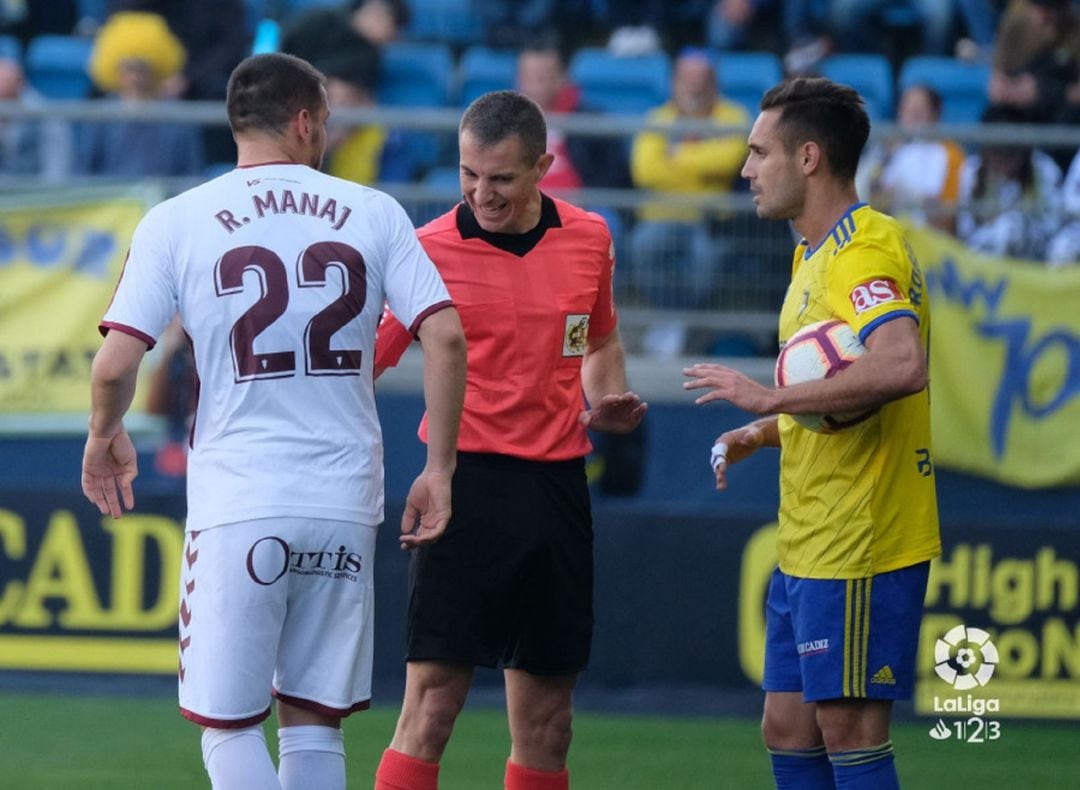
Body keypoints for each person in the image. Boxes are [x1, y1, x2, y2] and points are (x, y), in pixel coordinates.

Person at [80, 52, 467, 790]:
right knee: (314, 722)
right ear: (301, 121)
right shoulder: (374, 209)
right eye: (323, 120)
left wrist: (105, 436)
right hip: (345, 498)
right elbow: (445, 335)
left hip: (241, 500)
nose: (325, 133)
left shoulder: (177, 220)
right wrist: (439, 469)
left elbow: (114, 364)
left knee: (229, 729)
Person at [372, 90, 647, 790]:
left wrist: (605, 398)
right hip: (461, 485)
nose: (480, 193)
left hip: (557, 491)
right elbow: (365, 359)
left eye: (500, 178)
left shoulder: (589, 237)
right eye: (468, 174)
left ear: (543, 167)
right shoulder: (426, 249)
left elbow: (601, 338)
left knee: (550, 724)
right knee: (432, 705)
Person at [683, 77, 940, 789]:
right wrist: (764, 427)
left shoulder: (864, 247)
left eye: (758, 152)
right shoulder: (810, 256)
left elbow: (902, 363)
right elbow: (832, 405)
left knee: (850, 730)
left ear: (808, 158)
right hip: (810, 537)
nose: (745, 169)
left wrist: (772, 394)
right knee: (788, 725)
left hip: (861, 537)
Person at [626, 48, 749, 310]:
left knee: (707, 259)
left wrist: (676, 156)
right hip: (662, 216)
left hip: (711, 220)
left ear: (714, 82)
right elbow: (645, 170)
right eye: (687, 78)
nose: (694, 86)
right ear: (674, 82)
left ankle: (687, 320)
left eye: (702, 78)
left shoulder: (734, 116)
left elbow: (727, 162)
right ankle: (670, 315)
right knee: (642, 246)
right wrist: (702, 166)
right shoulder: (658, 118)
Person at [76, 11, 204, 177]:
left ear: (157, 69)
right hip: (111, 201)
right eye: (128, 68)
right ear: (115, 70)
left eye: (142, 68)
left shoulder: (178, 119)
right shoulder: (101, 116)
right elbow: (83, 173)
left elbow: (191, 174)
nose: (135, 77)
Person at [858, 83, 966, 233]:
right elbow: (867, 198)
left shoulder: (951, 154)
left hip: (931, 238)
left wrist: (914, 200)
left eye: (918, 111)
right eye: (906, 109)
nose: (911, 117)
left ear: (935, 114)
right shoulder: (884, 152)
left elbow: (950, 219)